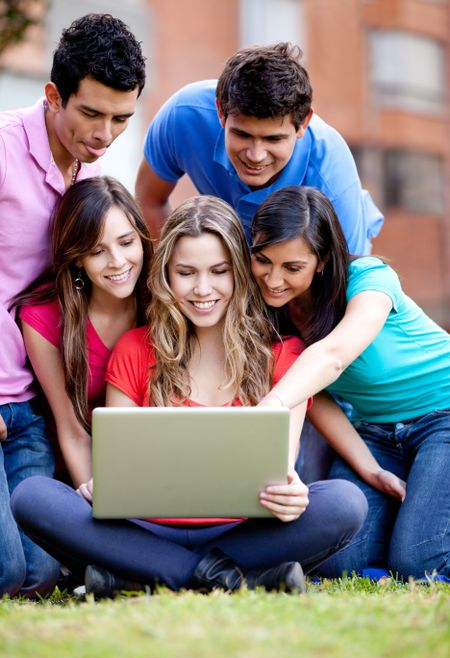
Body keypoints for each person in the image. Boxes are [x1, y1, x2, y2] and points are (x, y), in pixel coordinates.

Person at [12, 196, 370, 597]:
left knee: (345, 503)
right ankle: (235, 578)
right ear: (166, 275)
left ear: (239, 272)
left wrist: (292, 494)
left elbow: (279, 473)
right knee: (33, 497)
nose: (203, 289)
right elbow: (118, 470)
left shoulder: (283, 355)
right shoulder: (134, 349)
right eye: (186, 272)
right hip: (142, 527)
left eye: (219, 271)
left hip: (243, 529)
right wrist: (100, 486)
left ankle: (139, 575)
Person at [0, 13, 146, 597]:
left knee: (37, 575)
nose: (105, 133)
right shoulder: (5, 150)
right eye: (91, 113)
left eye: (121, 118)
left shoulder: (95, 165)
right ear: (53, 95)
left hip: (31, 399)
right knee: (9, 572)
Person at [250, 185, 450, 580]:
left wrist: (270, 406)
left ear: (322, 260)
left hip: (442, 414)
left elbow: (333, 356)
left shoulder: (370, 278)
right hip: (374, 431)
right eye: (262, 261)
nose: (273, 279)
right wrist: (372, 470)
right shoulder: (272, 312)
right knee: (338, 560)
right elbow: (316, 398)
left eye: (292, 267)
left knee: (417, 563)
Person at [135, 42, 383, 255]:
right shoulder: (184, 116)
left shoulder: (331, 176)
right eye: (242, 134)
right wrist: (179, 272)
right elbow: (150, 200)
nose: (255, 156)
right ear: (221, 112)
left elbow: (347, 281)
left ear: (303, 124)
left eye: (273, 140)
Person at [18, 176, 153, 489]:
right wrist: (106, 503)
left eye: (126, 242)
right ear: (78, 259)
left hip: (150, 465)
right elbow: (72, 432)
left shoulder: (160, 301)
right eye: (97, 251)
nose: (118, 262)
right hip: (75, 473)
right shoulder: (44, 318)